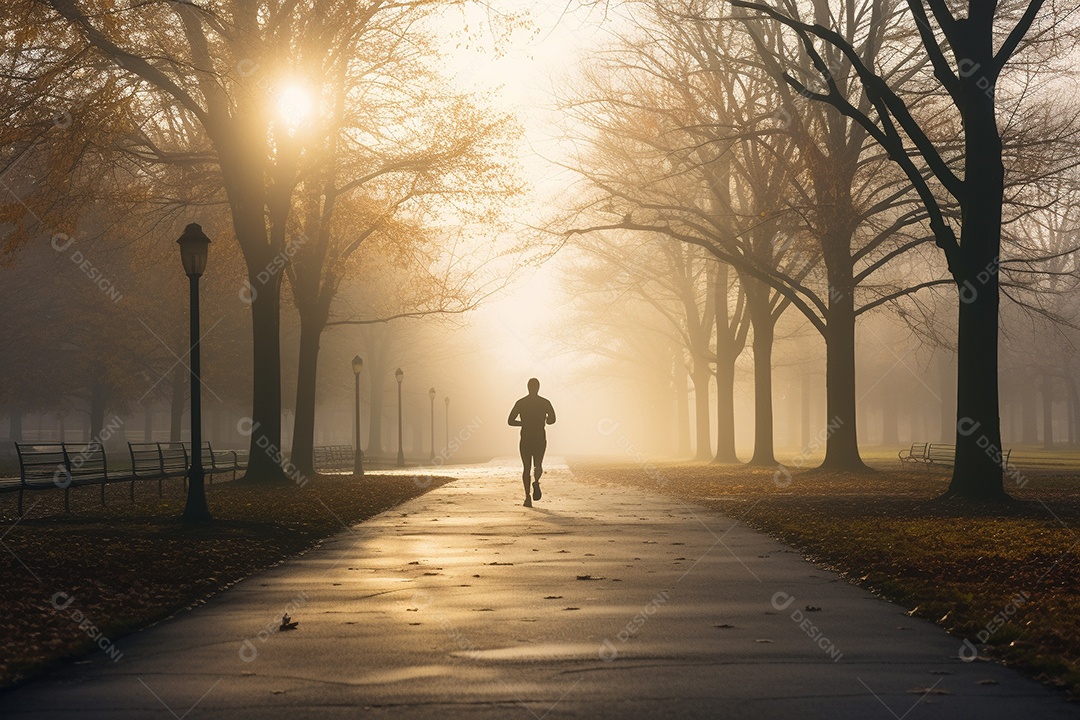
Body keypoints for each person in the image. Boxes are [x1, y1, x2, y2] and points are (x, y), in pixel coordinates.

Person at [507, 378, 556, 507]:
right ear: (538, 388)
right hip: (539, 437)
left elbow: (510, 421)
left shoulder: (521, 403)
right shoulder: (545, 402)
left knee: (526, 468)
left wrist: (524, 423)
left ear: (528, 387)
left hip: (526, 438)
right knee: (538, 465)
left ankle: (527, 497)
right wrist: (544, 419)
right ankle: (536, 481)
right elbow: (552, 420)